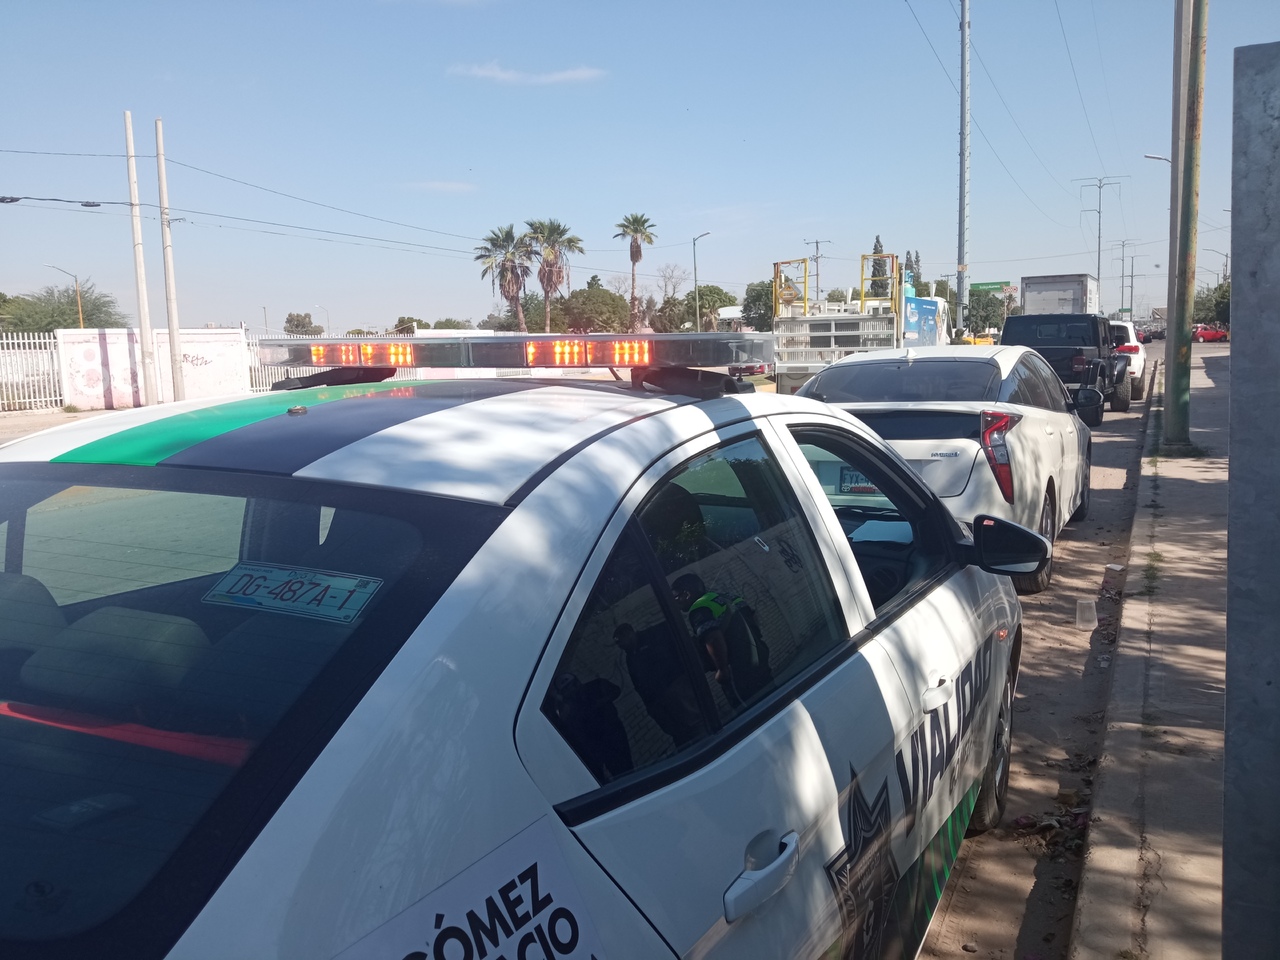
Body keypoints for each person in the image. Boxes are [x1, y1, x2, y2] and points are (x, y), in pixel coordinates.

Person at [670, 573, 772, 710]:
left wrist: (722, 669)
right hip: (759, 655)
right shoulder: (728, 597)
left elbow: (712, 637)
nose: (676, 603)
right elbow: (753, 617)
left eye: (676, 598)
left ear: (687, 594)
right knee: (772, 698)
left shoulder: (699, 608)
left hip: (738, 669)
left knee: (751, 709)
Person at [613, 622, 706, 748]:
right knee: (680, 736)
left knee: (696, 727)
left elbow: (679, 652)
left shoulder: (654, 636)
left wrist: (683, 681)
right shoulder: (630, 657)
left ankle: (705, 746)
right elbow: (637, 683)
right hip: (659, 705)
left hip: (679, 692)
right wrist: (650, 706)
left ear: (629, 633)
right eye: (618, 644)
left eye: (620, 641)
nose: (620, 646)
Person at [550, 672, 634, 782]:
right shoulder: (569, 710)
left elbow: (616, 691)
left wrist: (600, 703)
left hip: (615, 734)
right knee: (621, 774)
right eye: (567, 689)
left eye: (573, 684)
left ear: (578, 681)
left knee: (627, 770)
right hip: (598, 747)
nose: (573, 690)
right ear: (563, 694)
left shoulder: (597, 686)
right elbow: (574, 734)